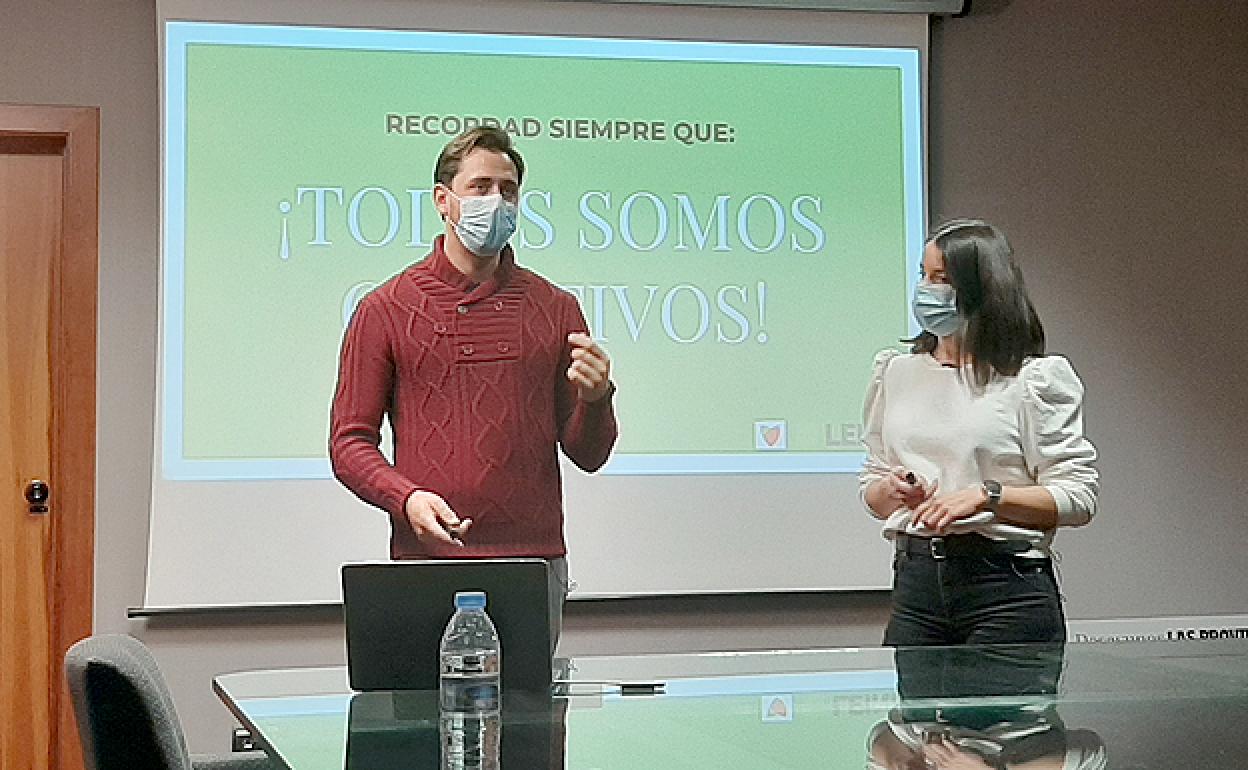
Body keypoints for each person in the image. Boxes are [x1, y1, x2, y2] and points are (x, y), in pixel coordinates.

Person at [330, 127, 618, 648]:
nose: (496, 201)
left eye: (507, 190)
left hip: (532, 563)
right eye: (480, 187)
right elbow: (349, 443)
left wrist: (598, 401)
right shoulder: (385, 308)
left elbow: (588, 453)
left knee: (534, 721)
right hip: (428, 561)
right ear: (444, 200)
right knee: (418, 720)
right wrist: (407, 498)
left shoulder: (555, 308)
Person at [859, 218, 1098, 646]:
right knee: (916, 714)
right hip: (916, 586)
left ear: (980, 290)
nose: (925, 291)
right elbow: (873, 495)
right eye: (923, 275)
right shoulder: (896, 372)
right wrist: (895, 489)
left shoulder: (1031, 379)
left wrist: (987, 497)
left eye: (941, 280)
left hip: (1005, 588)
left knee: (1009, 714)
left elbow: (1078, 498)